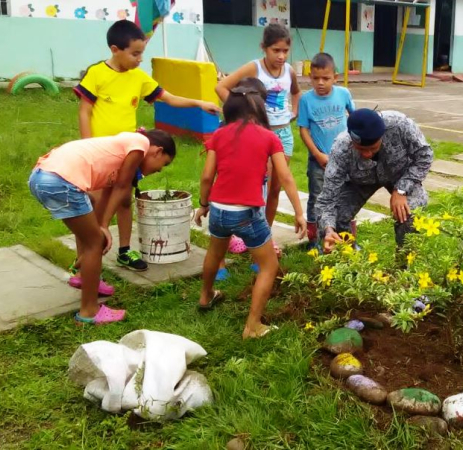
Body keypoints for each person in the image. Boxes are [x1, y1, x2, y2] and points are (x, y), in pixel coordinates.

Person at [72, 19, 219, 288]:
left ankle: (125, 250)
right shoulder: (97, 74)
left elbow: (169, 98)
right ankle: (83, 265)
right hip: (96, 154)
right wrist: (87, 146)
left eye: (142, 53)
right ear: (115, 49)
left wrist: (199, 103)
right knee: (92, 208)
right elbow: (85, 110)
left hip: (127, 152)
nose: (140, 59)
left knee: (124, 201)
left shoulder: (139, 77)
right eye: (135, 53)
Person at [29, 130, 176, 325]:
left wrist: (101, 226)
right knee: (95, 243)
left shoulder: (120, 152)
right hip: (61, 181)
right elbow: (123, 187)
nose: (158, 170)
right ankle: (89, 311)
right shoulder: (140, 144)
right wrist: (102, 231)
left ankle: (85, 277)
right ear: (157, 151)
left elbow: (105, 196)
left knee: (91, 227)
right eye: (163, 165)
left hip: (41, 178)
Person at [195, 82, 306, 339]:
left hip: (219, 209)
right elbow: (286, 177)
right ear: (260, 108)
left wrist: (203, 205)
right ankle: (253, 326)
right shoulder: (270, 137)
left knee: (215, 251)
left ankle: (205, 296)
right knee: (269, 266)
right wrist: (299, 213)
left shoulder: (219, 135)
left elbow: (206, 176)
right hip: (247, 212)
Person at [215, 23, 301, 256]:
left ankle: (266, 236)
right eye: (275, 50)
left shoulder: (289, 71)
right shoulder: (254, 68)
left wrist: (294, 111)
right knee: (257, 188)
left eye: (285, 50)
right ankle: (241, 233)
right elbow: (222, 87)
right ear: (264, 48)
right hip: (259, 135)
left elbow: (295, 91)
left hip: (284, 134)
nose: (281, 56)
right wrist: (240, 113)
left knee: (275, 189)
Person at [316, 109, 433, 253]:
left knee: (410, 211)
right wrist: (328, 229)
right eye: (360, 149)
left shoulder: (399, 125)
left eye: (372, 148)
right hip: (359, 182)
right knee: (338, 216)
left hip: (400, 175)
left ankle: (405, 264)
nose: (367, 154)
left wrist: (402, 189)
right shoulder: (341, 148)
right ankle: (349, 262)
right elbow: (327, 199)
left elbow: (424, 155)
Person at [297, 52, 356, 248]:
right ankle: (316, 239)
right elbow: (303, 129)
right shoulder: (306, 100)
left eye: (326, 78)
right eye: (315, 78)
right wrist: (317, 154)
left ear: (335, 78)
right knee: (317, 197)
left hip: (344, 158)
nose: (320, 83)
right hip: (318, 160)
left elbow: (355, 118)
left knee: (346, 196)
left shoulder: (344, 94)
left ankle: (347, 238)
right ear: (310, 77)